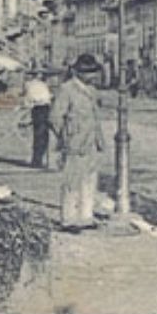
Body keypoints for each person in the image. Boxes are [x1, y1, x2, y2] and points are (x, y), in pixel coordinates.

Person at [50, 53, 107, 232]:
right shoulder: (67, 89)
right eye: (89, 72)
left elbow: (94, 117)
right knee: (72, 182)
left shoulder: (92, 90)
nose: (93, 76)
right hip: (75, 142)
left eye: (93, 72)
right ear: (78, 73)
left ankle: (86, 216)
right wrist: (66, 136)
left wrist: (99, 139)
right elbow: (55, 117)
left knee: (89, 180)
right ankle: (68, 219)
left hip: (91, 142)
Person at [21, 71, 54, 169]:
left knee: (41, 135)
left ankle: (38, 159)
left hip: (40, 108)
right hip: (41, 108)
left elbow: (28, 100)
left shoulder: (35, 85)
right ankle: (37, 160)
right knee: (41, 135)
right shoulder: (35, 85)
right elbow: (32, 99)